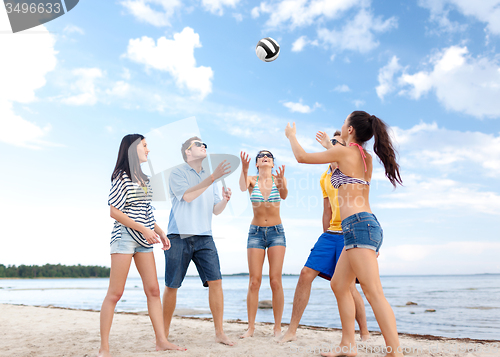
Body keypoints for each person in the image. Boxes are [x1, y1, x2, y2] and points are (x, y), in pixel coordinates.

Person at [285, 111, 404, 357]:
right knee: (339, 285)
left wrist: (291, 136)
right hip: (360, 226)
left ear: (350, 130)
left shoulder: (346, 153)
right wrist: (329, 142)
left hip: (359, 226)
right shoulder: (363, 156)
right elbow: (340, 149)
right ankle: (348, 346)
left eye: (344, 122)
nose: (341, 124)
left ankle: (395, 352)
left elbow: (301, 157)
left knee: (373, 292)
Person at [279, 131, 369, 344]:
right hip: (331, 234)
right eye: (335, 143)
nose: (335, 146)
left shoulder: (350, 166)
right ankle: (291, 330)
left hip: (351, 230)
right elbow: (326, 209)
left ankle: (364, 332)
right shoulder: (324, 177)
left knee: (349, 286)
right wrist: (325, 235)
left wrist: (330, 146)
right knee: (305, 274)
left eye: (339, 144)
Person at [99, 134, 184, 357]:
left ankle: (161, 341)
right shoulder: (121, 176)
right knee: (115, 294)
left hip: (144, 240)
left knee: (154, 290)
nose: (148, 150)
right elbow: (114, 211)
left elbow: (146, 214)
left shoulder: (145, 180)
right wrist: (144, 230)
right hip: (125, 238)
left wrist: (160, 232)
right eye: (145, 146)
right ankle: (104, 348)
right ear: (133, 148)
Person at [162, 136, 234, 346]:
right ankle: (163, 334)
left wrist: (224, 201)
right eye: (198, 144)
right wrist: (213, 177)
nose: (204, 146)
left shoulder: (209, 177)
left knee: (216, 282)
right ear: (187, 152)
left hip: (205, 236)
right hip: (179, 236)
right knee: (172, 285)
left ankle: (220, 333)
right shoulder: (177, 173)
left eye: (205, 145)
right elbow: (187, 196)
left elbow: (215, 210)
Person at [239, 150, 288, 338]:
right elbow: (243, 187)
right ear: (257, 164)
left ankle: (277, 328)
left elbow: (283, 195)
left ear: (273, 163)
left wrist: (282, 179)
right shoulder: (251, 179)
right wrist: (244, 168)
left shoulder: (278, 179)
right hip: (256, 234)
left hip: (276, 233)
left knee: (275, 280)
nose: (265, 157)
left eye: (269, 156)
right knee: (254, 281)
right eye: (261, 156)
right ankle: (250, 327)